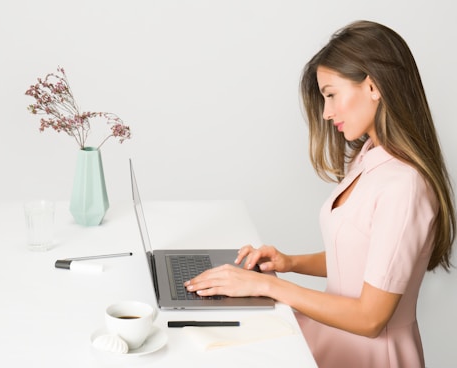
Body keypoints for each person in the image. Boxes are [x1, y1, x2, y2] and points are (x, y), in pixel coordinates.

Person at [184, 20, 455, 367]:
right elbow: (361, 259)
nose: (326, 113)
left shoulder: (405, 186)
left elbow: (371, 319)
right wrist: (288, 262)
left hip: (372, 355)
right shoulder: (369, 157)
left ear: (372, 86)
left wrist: (270, 287)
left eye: (331, 94)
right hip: (332, 338)